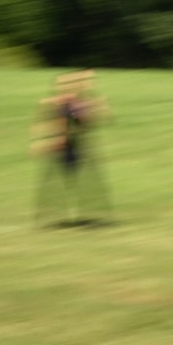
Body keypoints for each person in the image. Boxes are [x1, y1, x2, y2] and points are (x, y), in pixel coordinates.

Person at [33, 69, 112, 227]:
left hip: (78, 147)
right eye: (62, 83)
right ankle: (50, 218)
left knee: (90, 183)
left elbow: (93, 121)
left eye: (69, 83)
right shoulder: (51, 102)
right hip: (59, 149)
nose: (66, 86)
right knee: (51, 186)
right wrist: (41, 141)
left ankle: (91, 216)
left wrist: (94, 100)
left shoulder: (79, 103)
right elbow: (42, 123)